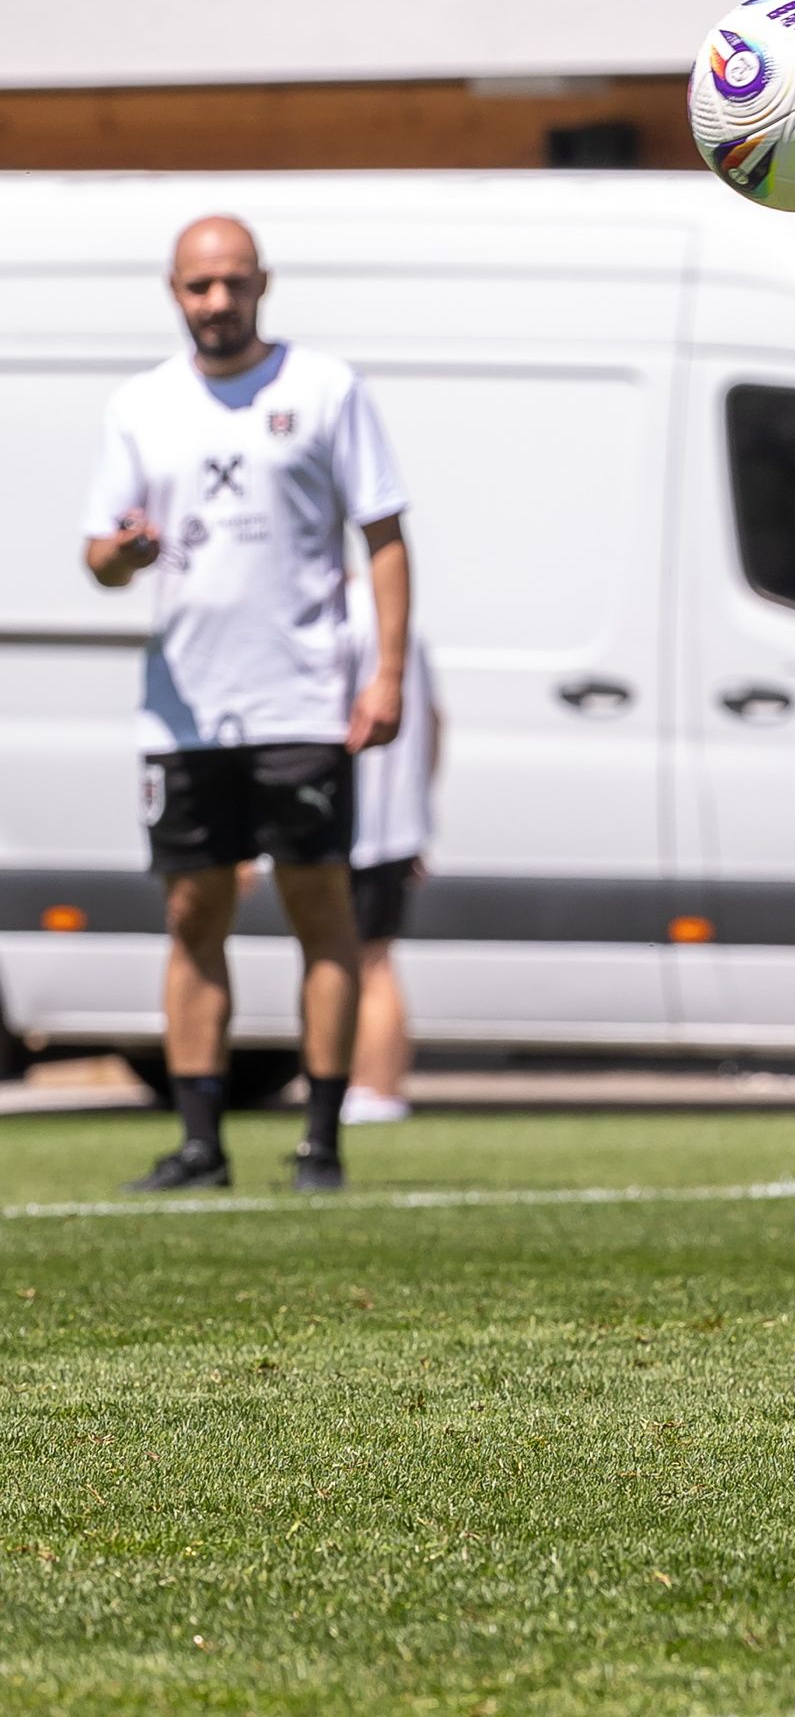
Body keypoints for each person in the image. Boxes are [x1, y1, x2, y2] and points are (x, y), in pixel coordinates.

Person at [83, 216, 412, 1196]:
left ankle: (318, 1141)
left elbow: (384, 534)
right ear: (174, 291)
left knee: (320, 910)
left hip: (304, 700)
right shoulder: (141, 405)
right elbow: (99, 555)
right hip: (185, 710)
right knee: (193, 910)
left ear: (260, 284)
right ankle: (200, 1143)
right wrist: (124, 552)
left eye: (231, 283)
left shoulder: (323, 389)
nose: (216, 302)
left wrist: (384, 672)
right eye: (197, 286)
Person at [339, 571, 438, 1126]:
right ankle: (371, 1086)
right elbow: (435, 721)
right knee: (370, 957)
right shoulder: (398, 623)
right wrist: (420, 815)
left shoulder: (342, 616)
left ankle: (375, 1089)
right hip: (395, 820)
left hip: (360, 824)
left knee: (366, 961)